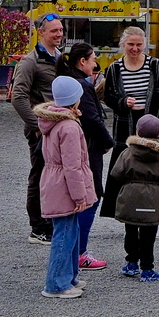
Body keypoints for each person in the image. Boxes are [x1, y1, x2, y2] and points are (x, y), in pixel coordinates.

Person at [36, 75, 97, 298]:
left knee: (70, 231)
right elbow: (72, 166)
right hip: (65, 183)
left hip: (54, 180)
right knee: (64, 235)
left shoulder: (53, 121)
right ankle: (56, 284)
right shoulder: (69, 127)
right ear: (75, 100)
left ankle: (69, 277)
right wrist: (80, 195)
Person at [56, 41, 111, 272]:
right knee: (91, 196)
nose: (95, 63)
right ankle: (80, 251)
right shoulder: (82, 87)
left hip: (78, 147)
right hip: (88, 148)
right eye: (93, 58)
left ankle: (73, 250)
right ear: (82, 61)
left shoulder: (68, 81)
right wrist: (108, 141)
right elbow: (91, 119)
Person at [12, 14, 65, 243]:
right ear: (40, 32)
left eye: (61, 29)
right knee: (40, 175)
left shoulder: (60, 58)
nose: (59, 34)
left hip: (60, 128)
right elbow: (17, 96)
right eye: (54, 30)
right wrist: (37, 125)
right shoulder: (30, 61)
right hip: (41, 130)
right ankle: (38, 227)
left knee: (55, 176)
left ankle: (52, 221)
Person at [108, 114, 159, 280]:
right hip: (153, 197)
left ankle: (131, 263)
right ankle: (147, 268)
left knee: (130, 230)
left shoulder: (128, 152)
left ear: (137, 131)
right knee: (149, 235)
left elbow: (116, 173)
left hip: (131, 195)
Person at [101, 25, 159, 172]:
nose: (135, 48)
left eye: (139, 45)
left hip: (151, 124)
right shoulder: (114, 68)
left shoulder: (154, 65)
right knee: (121, 170)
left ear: (144, 45)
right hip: (124, 125)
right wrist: (122, 102)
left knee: (152, 170)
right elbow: (107, 97)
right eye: (131, 44)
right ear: (123, 44)